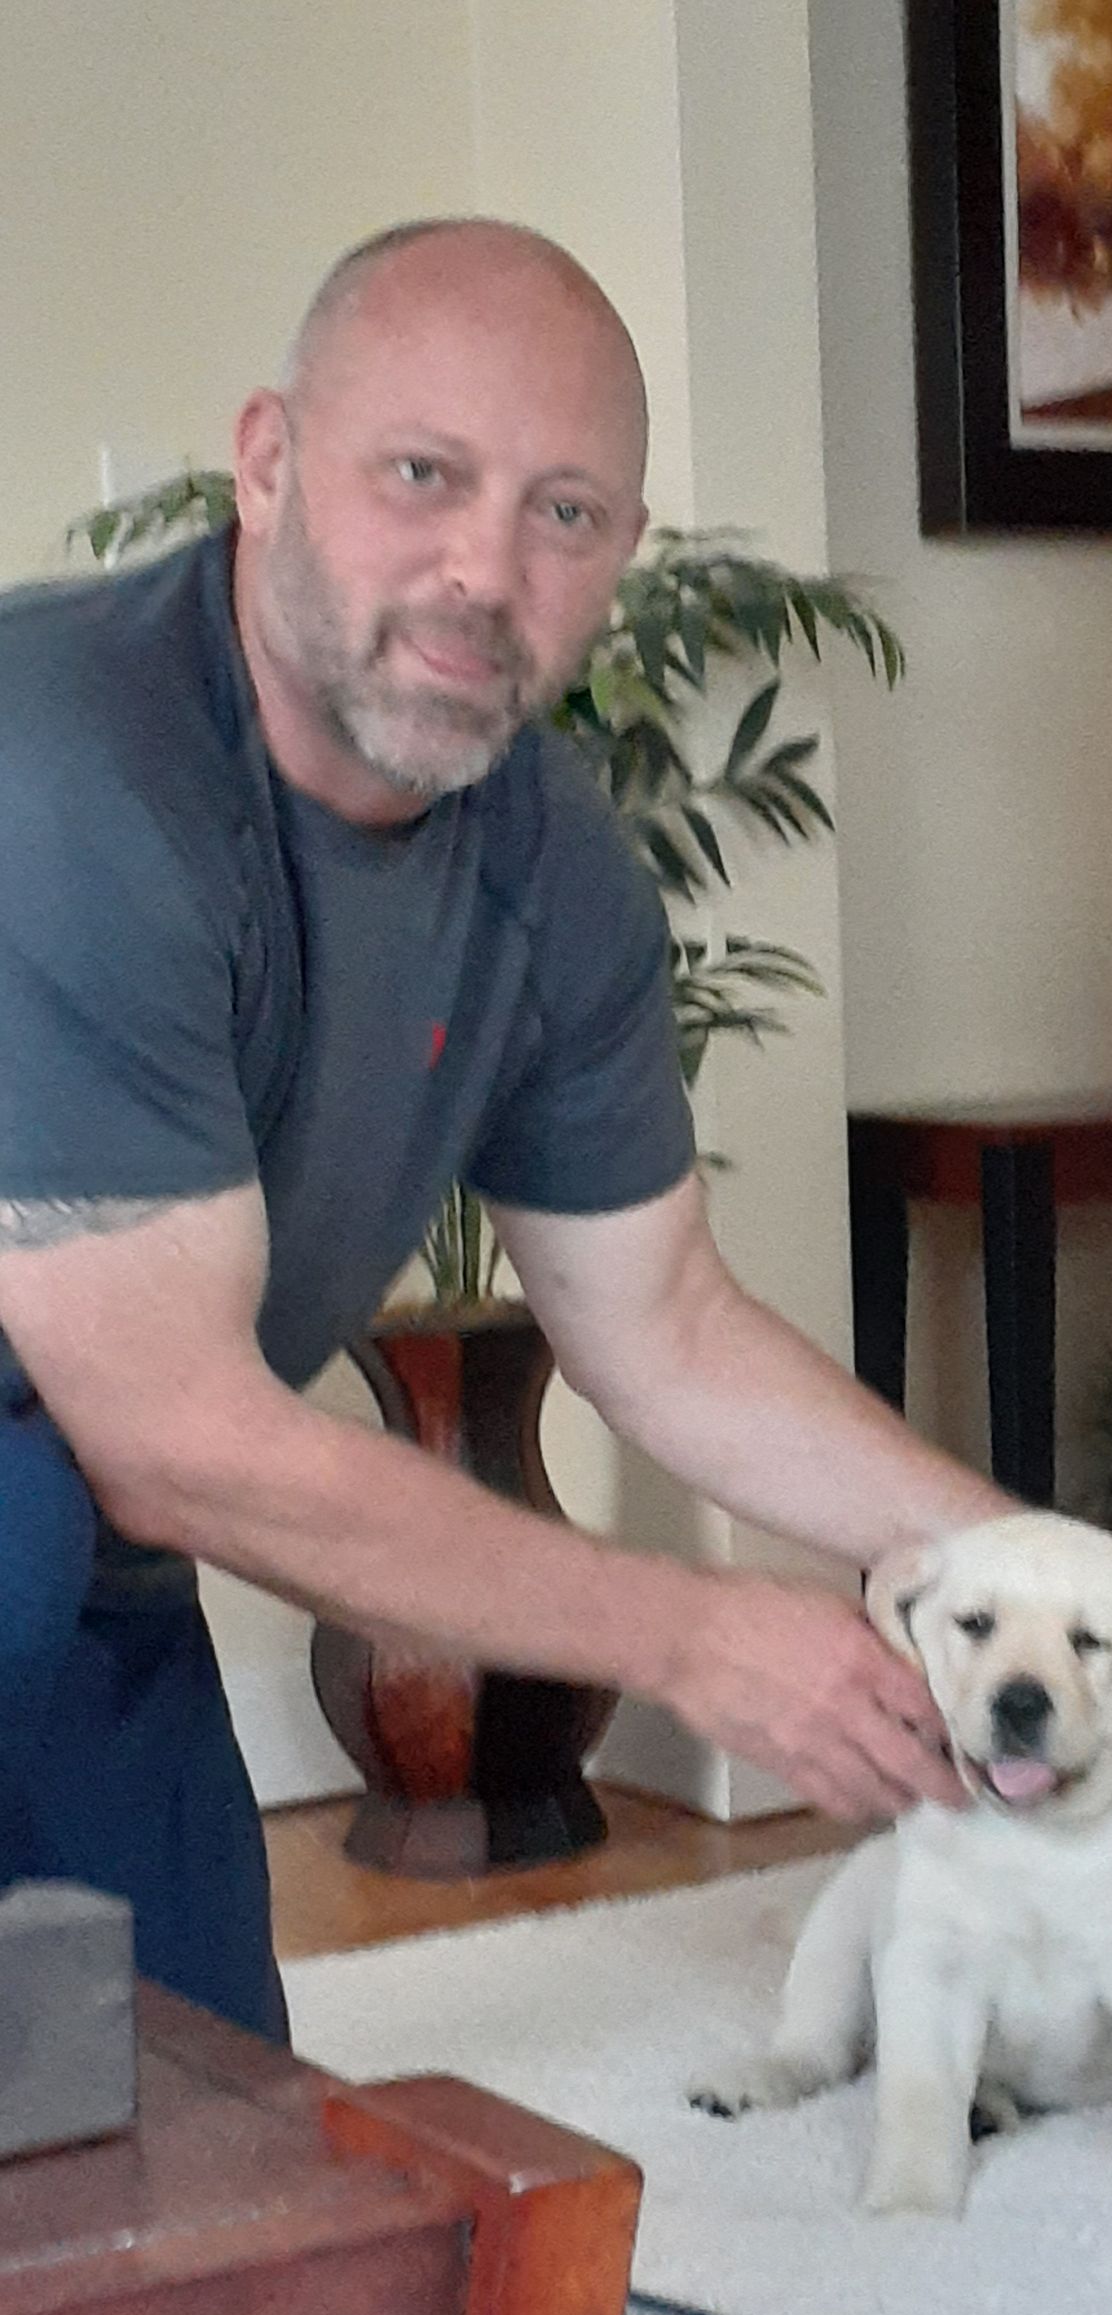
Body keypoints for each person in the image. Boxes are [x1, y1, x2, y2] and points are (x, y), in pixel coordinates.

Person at [0, 218, 1013, 2044]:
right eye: (422, 475)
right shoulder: (69, 761)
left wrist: (1019, 1568)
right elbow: (168, 1431)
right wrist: (695, 1639)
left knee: (215, 2153)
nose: (485, 568)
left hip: (87, 1550)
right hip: (51, 1501)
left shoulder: (549, 868)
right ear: (266, 461)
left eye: (566, 514)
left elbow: (665, 1327)